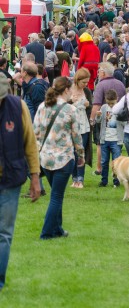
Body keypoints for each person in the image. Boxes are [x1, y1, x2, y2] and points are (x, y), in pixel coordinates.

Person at [0, 73, 40, 291]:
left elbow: (30, 143)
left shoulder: (18, 107)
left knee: (4, 233)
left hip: (11, 179)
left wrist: (35, 176)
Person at [34, 77, 84, 239]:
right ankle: (47, 232)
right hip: (64, 158)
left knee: (57, 193)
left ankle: (58, 229)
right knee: (56, 197)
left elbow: (36, 133)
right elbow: (77, 137)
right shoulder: (70, 110)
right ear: (66, 90)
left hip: (45, 158)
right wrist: (81, 156)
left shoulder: (43, 106)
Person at [69, 68, 92, 189]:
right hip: (71, 126)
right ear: (77, 80)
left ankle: (80, 179)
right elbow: (61, 104)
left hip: (83, 125)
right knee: (72, 153)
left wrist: (88, 105)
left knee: (80, 152)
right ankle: (74, 178)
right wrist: (70, 101)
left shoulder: (87, 91)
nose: (85, 85)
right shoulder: (68, 90)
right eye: (83, 82)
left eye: (87, 82)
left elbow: (90, 106)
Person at [95, 89, 122, 187]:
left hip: (116, 140)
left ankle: (116, 180)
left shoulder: (120, 108)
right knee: (104, 161)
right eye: (108, 103)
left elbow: (124, 122)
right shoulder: (103, 107)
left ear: (117, 99)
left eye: (112, 103)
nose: (110, 105)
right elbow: (98, 121)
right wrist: (97, 116)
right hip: (105, 139)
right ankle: (104, 180)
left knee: (116, 162)